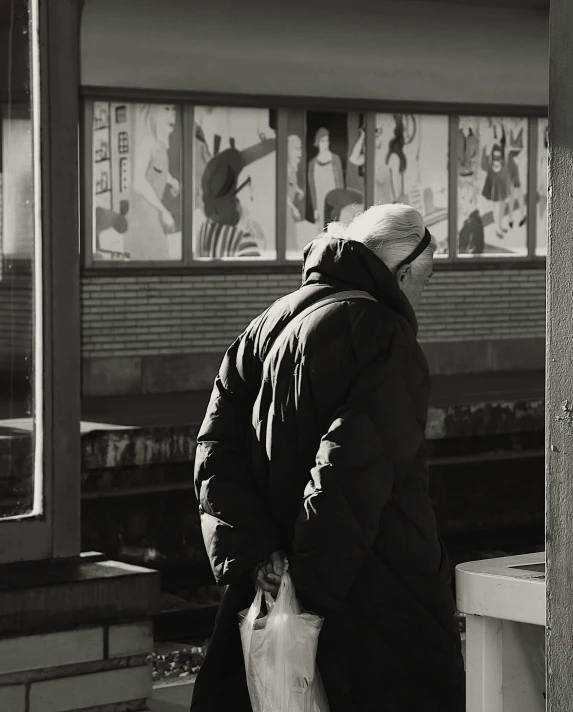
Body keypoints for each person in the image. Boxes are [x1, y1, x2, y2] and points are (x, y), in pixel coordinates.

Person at [191, 203, 465, 712]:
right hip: (375, 602)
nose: (422, 296)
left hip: (274, 587)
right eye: (424, 281)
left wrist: (257, 556)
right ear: (403, 273)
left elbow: (215, 452)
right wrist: (308, 595)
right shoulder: (385, 338)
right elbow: (348, 478)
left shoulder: (266, 325)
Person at [123, 104, 180, 261]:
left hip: (151, 218)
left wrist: (171, 180)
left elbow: (155, 170)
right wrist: (164, 211)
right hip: (141, 221)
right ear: (155, 114)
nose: (173, 114)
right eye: (166, 109)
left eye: (174, 109)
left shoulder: (159, 146)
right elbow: (138, 181)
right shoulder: (147, 143)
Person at [308, 127, 344, 228]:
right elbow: (312, 189)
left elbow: (340, 184)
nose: (325, 143)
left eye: (327, 140)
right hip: (320, 203)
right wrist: (315, 209)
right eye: (322, 141)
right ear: (317, 142)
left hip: (333, 203)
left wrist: (340, 206)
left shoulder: (335, 159)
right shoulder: (312, 164)